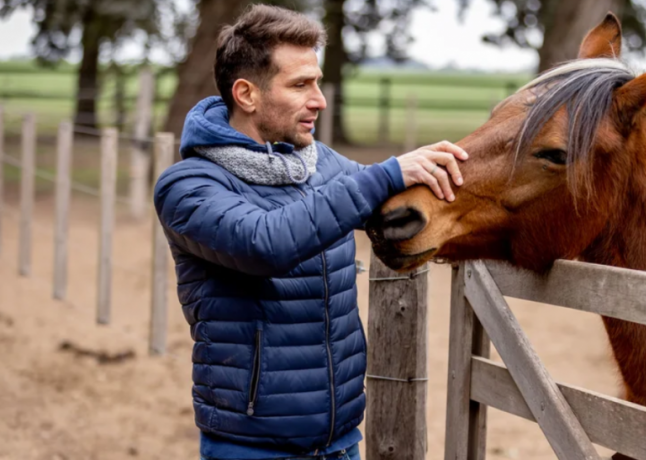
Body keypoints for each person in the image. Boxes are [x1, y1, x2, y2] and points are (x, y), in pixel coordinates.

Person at [152, 5, 467, 459]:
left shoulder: (321, 165)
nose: (319, 100)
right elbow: (265, 243)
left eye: (317, 82)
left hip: (342, 440)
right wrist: (384, 175)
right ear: (246, 94)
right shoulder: (188, 186)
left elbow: (395, 205)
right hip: (251, 447)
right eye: (300, 85)